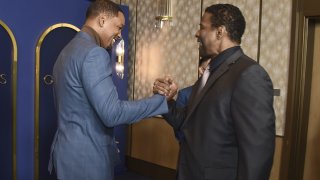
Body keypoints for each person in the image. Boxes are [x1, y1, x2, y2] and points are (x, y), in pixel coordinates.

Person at [48, 1, 172, 179]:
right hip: (87, 158)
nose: (120, 35)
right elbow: (112, 113)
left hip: (66, 153)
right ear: (102, 20)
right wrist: (160, 100)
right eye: (119, 27)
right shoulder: (94, 54)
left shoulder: (66, 51)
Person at [154, 3, 275, 180]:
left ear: (219, 32)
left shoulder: (249, 74)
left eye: (202, 27)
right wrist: (167, 99)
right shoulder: (210, 72)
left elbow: (258, 151)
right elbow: (185, 122)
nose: (197, 33)